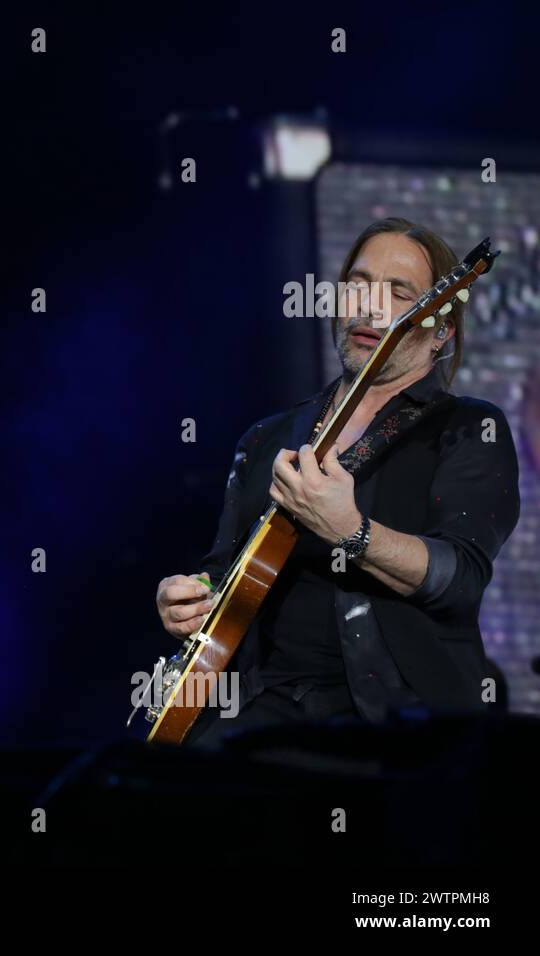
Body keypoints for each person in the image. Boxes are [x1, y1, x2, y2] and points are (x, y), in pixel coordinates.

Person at [155, 218, 520, 748]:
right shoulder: (267, 437)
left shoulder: (467, 428)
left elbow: (459, 577)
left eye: (399, 293)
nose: (370, 307)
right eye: (358, 283)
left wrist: (350, 528)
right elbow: (224, 572)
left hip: (391, 723)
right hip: (258, 714)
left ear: (441, 330)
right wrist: (190, 599)